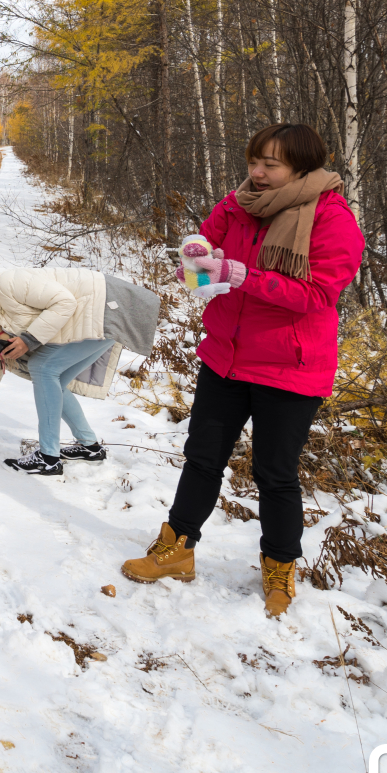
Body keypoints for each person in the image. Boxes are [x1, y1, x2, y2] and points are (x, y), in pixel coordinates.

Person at [120, 122, 363, 618]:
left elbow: (315, 296)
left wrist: (242, 276)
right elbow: (203, 256)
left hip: (289, 367)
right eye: (254, 161)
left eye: (270, 165)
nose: (257, 172)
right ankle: (177, 549)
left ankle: (279, 567)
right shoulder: (237, 204)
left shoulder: (332, 219)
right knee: (202, 457)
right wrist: (194, 264)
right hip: (226, 357)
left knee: (274, 473)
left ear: (301, 167)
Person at [0, 262, 160, 475]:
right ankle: (89, 447)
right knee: (52, 379)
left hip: (110, 308)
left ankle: (48, 457)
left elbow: (65, 302)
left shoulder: (5, 283)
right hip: (101, 313)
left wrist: (28, 340)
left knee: (42, 368)